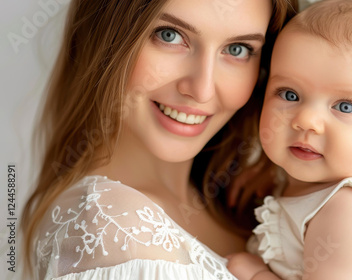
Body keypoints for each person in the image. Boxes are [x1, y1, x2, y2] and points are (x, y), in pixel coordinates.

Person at [20, 0, 298, 279]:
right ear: (104, 35)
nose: (202, 90)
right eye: (169, 35)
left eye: (238, 49)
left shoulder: (247, 202)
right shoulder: (115, 225)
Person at [226, 0, 352, 279]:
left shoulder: (347, 210)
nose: (306, 120)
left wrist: (255, 275)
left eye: (345, 106)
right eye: (289, 94)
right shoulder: (318, 181)